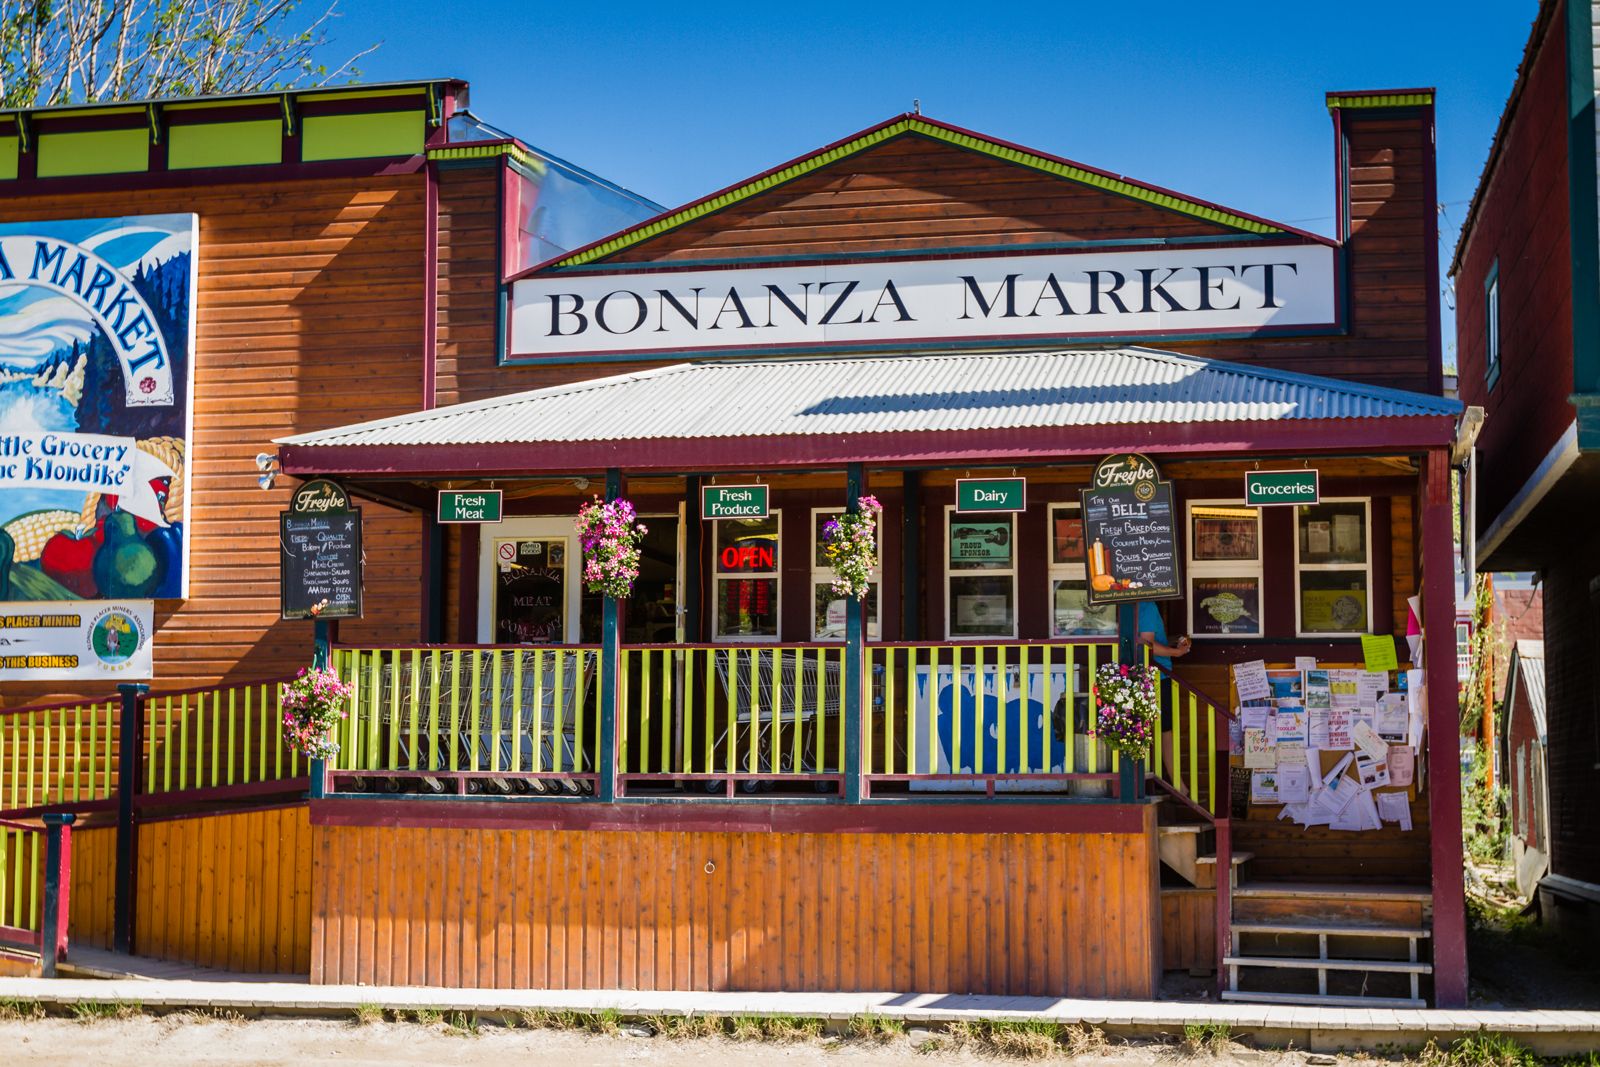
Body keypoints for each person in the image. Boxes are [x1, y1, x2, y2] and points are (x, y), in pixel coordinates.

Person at [1136, 600, 1192, 670]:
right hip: (1157, 671)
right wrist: (1177, 652)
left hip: (1142, 671)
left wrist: (1175, 639)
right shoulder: (1147, 605)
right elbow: (1146, 646)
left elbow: (1138, 639)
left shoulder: (1128, 604)